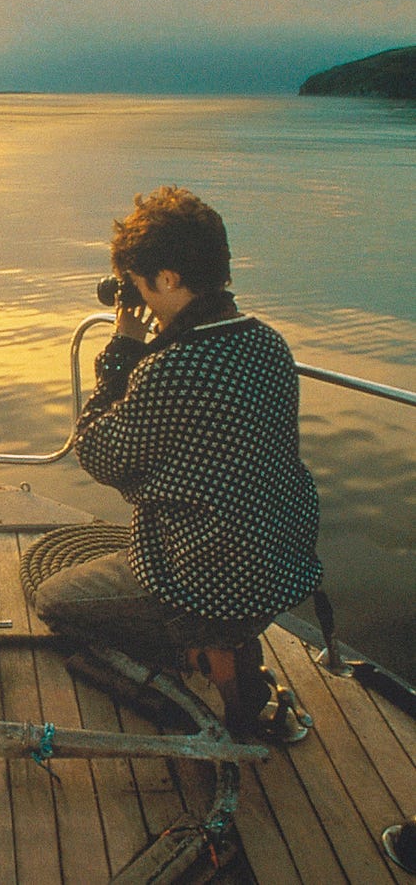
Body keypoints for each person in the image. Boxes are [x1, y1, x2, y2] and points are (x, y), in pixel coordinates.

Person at [35, 185, 323, 732]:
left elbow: (97, 452)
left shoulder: (169, 369)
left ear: (167, 279)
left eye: (139, 284)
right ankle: (223, 641)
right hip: (281, 568)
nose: (136, 296)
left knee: (55, 599)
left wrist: (122, 347)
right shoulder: (268, 345)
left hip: (209, 582)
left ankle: (202, 652)